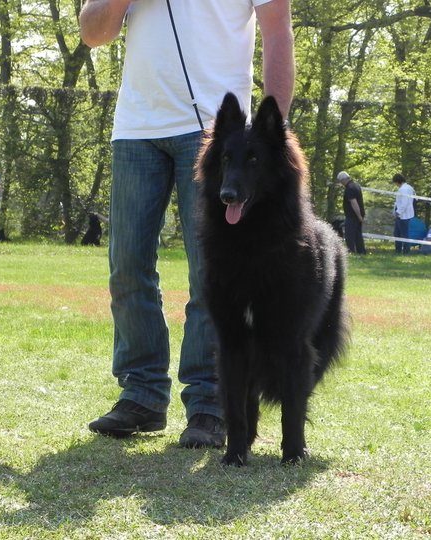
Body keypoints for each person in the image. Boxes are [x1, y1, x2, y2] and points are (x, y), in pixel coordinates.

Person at [79, 0, 295, 448]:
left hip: (215, 136)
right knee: (127, 266)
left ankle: (210, 404)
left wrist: (275, 129)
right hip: (135, 129)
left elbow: (278, 33)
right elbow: (93, 32)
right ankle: (141, 395)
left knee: (212, 277)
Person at [337, 171, 366, 254]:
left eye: (340, 181)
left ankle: (351, 251)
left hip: (352, 216)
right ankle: (361, 252)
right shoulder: (356, 185)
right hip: (358, 215)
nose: (341, 183)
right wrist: (361, 216)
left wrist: (359, 216)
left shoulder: (349, 188)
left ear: (343, 180)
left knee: (349, 235)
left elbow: (354, 203)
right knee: (358, 235)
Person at [392, 173, 415, 254]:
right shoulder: (409, 187)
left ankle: (405, 252)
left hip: (403, 215)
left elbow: (404, 203)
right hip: (405, 214)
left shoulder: (403, 189)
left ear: (397, 181)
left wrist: (397, 213)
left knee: (403, 235)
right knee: (398, 234)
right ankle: (399, 251)